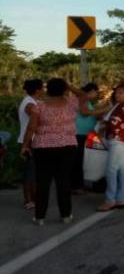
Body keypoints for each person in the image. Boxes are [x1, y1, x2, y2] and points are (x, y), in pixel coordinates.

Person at [21, 78, 80, 225]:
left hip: (43, 147)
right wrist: (70, 87)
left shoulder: (39, 106)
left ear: (48, 90)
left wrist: (25, 145)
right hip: (67, 146)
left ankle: (40, 217)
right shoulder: (72, 104)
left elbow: (31, 128)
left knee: (43, 182)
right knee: (64, 181)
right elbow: (84, 95)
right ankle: (66, 215)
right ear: (64, 89)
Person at [97, 84, 124, 212]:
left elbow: (113, 122)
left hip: (118, 140)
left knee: (111, 170)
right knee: (122, 171)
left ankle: (110, 200)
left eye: (121, 93)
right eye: (117, 93)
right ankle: (121, 199)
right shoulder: (123, 105)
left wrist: (104, 125)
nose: (117, 95)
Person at [73, 83, 111, 194]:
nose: (96, 94)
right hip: (79, 134)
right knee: (78, 160)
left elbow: (92, 113)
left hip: (84, 134)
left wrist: (103, 109)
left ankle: (78, 184)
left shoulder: (87, 101)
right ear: (90, 91)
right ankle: (76, 186)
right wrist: (105, 109)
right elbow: (85, 113)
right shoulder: (81, 99)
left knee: (80, 160)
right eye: (96, 92)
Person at [17, 79, 43, 211]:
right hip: (28, 142)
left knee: (33, 172)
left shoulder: (33, 101)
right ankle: (28, 200)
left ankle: (33, 198)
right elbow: (34, 113)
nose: (43, 90)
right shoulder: (29, 103)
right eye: (42, 88)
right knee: (29, 172)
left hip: (32, 141)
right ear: (37, 90)